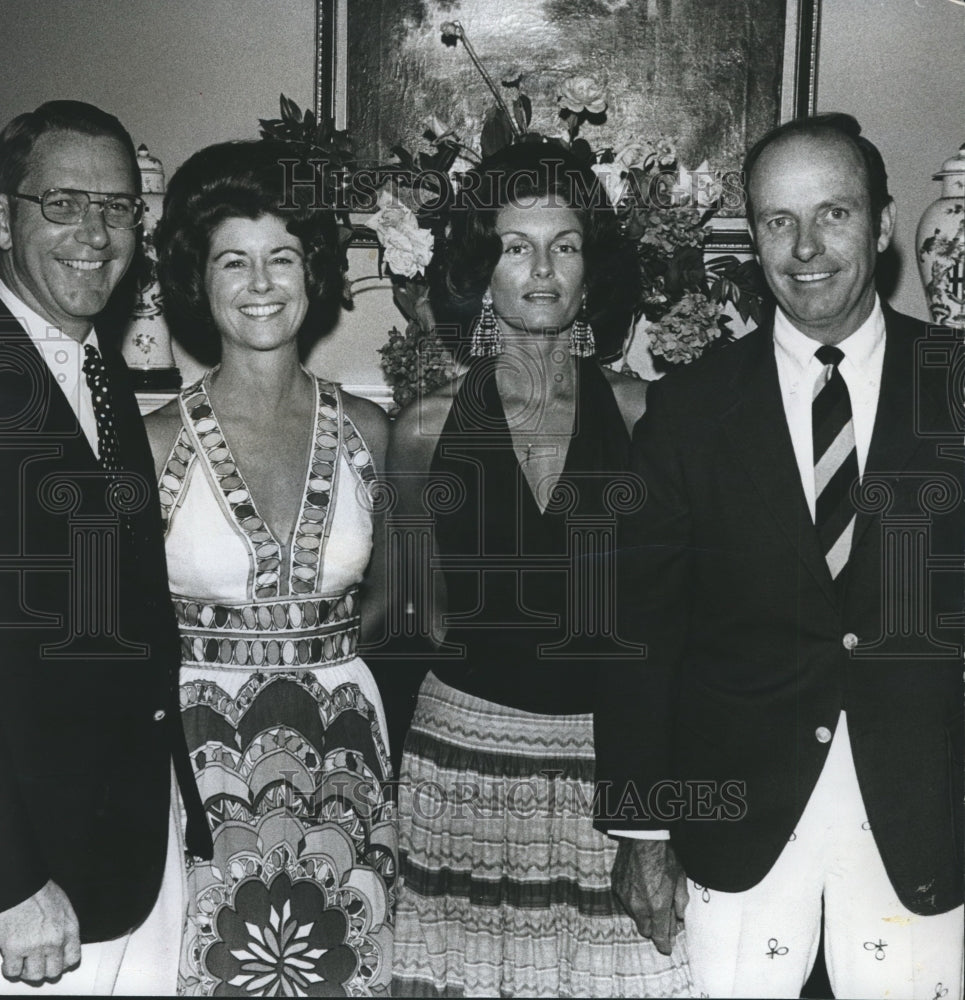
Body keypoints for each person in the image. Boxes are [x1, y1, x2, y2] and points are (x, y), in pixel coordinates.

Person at [596, 113, 964, 999]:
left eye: (833, 214)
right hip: (739, 833)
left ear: (879, 226)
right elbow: (639, 635)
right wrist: (643, 834)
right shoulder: (688, 409)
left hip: (923, 824)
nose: (804, 248)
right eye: (776, 221)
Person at [386, 142, 693, 997]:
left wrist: (654, 814)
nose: (542, 269)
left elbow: (671, 629)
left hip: (610, 774)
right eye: (514, 247)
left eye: (564, 244)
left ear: (592, 269)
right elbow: (403, 627)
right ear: (481, 272)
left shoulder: (643, 418)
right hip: (460, 772)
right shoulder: (421, 431)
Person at [145, 139, 395, 996]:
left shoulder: (371, 429)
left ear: (313, 272)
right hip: (193, 759)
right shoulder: (152, 443)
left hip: (346, 760)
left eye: (281, 257)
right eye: (234, 262)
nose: (261, 284)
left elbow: (396, 603)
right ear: (198, 280)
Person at [0, 100, 211, 994]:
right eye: (63, 204)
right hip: (32, 891)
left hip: (130, 855)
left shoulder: (96, 367)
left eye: (119, 207)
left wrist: (185, 821)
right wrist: (8, 882)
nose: (95, 233)